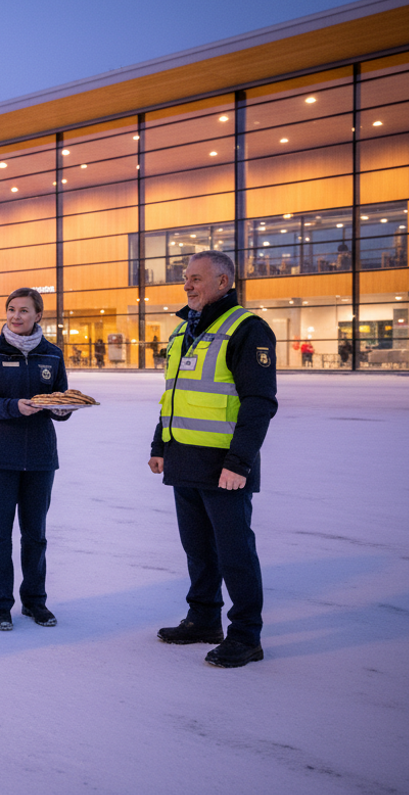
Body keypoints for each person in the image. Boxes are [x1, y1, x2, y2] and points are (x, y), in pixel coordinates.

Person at [148, 250, 277, 668]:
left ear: (223, 282)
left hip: (225, 465)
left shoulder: (247, 329)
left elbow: (258, 403)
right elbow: (173, 395)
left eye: (196, 279)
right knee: (198, 549)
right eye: (186, 278)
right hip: (185, 458)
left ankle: (245, 635)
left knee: (234, 551)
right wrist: (159, 445)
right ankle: (204, 618)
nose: (187, 285)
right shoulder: (185, 331)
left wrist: (240, 462)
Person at [0, 288, 72, 631]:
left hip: (40, 457)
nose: (15, 316)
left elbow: (61, 399)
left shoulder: (53, 355)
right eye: (11, 310)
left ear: (38, 315)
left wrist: (62, 409)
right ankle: (0, 605)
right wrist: (14, 407)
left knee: (35, 535)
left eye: (24, 311)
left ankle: (35, 602)